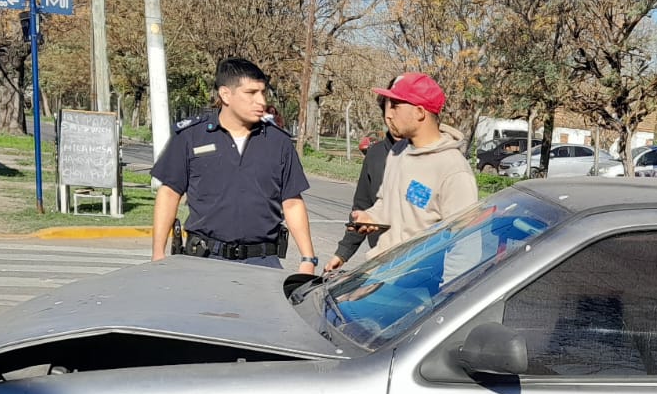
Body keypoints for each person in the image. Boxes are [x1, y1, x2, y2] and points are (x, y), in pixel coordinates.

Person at [150, 58, 318, 272]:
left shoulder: (278, 142)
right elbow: (169, 194)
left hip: (262, 263)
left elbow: (292, 202)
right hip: (203, 260)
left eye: (262, 92)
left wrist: (308, 259)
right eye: (251, 93)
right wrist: (158, 253)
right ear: (225, 94)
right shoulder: (191, 137)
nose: (261, 101)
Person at [347, 72, 477, 257]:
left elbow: (464, 246)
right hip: (381, 270)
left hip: (419, 281)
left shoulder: (454, 170)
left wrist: (451, 287)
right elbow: (387, 203)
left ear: (419, 112)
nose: (388, 115)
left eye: (395, 106)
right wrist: (372, 216)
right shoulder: (398, 151)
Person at [326, 78, 401, 273]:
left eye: (399, 108)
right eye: (389, 108)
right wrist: (342, 254)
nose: (392, 116)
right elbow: (362, 207)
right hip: (381, 262)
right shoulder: (375, 154)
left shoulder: (430, 158)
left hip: (420, 266)